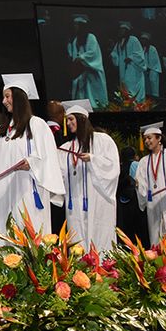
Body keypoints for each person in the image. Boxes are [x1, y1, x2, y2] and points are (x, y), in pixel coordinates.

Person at [0, 74, 65, 243]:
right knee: (7, 234)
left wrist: (31, 163)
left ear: (19, 98)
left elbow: (49, 157)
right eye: (4, 97)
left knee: (29, 234)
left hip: (28, 190)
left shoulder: (36, 125)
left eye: (7, 96)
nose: (4, 101)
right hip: (6, 193)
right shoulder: (2, 131)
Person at [57, 101, 120, 252]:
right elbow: (58, 174)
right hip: (74, 203)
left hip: (98, 198)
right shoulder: (66, 148)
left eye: (71, 119)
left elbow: (113, 166)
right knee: (77, 237)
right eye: (67, 120)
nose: (68, 123)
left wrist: (92, 159)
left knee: (99, 234)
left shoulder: (102, 140)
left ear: (82, 119)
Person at [66, 14, 107, 109]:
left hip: (92, 71)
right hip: (81, 71)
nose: (75, 26)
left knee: (93, 96)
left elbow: (93, 52)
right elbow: (74, 55)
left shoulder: (91, 37)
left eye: (77, 24)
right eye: (74, 24)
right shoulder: (75, 40)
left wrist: (82, 57)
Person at [116, 146, 149, 246]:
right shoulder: (136, 165)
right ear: (134, 156)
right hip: (135, 201)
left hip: (122, 203)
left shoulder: (118, 167)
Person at [110, 21, 146, 103]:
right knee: (125, 85)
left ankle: (137, 103)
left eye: (123, 30)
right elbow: (115, 53)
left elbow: (139, 53)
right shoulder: (119, 42)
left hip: (133, 68)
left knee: (133, 85)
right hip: (123, 69)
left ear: (127, 31)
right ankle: (127, 103)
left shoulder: (133, 40)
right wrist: (113, 55)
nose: (120, 31)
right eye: (120, 30)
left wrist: (131, 57)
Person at [140, 32, 161, 100]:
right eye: (142, 39)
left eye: (144, 39)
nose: (143, 41)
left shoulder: (152, 48)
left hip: (153, 70)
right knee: (146, 88)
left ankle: (155, 100)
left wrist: (148, 68)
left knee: (153, 87)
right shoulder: (141, 49)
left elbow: (153, 60)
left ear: (147, 40)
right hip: (145, 70)